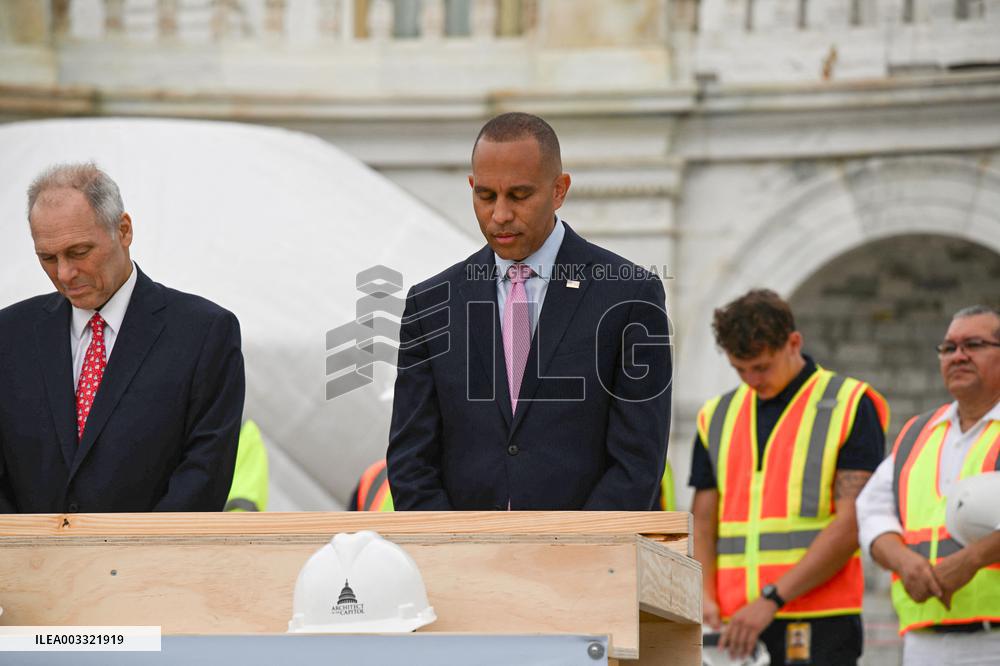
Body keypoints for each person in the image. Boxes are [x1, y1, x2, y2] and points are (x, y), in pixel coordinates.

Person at [387, 112, 671, 510]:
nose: (500, 215)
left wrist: (569, 552)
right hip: (462, 562)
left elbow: (638, 461)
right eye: (486, 196)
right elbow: (410, 462)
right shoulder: (430, 304)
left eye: (519, 196)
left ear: (559, 190)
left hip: (583, 562)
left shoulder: (628, 295)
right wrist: (457, 549)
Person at [0, 162, 245, 513]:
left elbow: (203, 474)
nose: (65, 273)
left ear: (124, 230)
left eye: (79, 252)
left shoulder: (204, 334)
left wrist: (132, 560)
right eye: (48, 258)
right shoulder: (9, 337)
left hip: (152, 564)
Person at [690, 289, 888, 665]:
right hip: (736, 623)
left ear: (794, 342)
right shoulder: (715, 415)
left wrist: (772, 598)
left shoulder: (849, 403)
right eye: (739, 369)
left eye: (761, 367)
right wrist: (705, 595)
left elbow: (852, 522)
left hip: (820, 617)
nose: (751, 380)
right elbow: (703, 519)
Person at [857, 305, 1000, 665]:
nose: (959, 356)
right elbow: (872, 512)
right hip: (925, 642)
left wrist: (970, 561)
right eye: (949, 348)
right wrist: (904, 562)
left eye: (974, 344)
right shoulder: (917, 433)